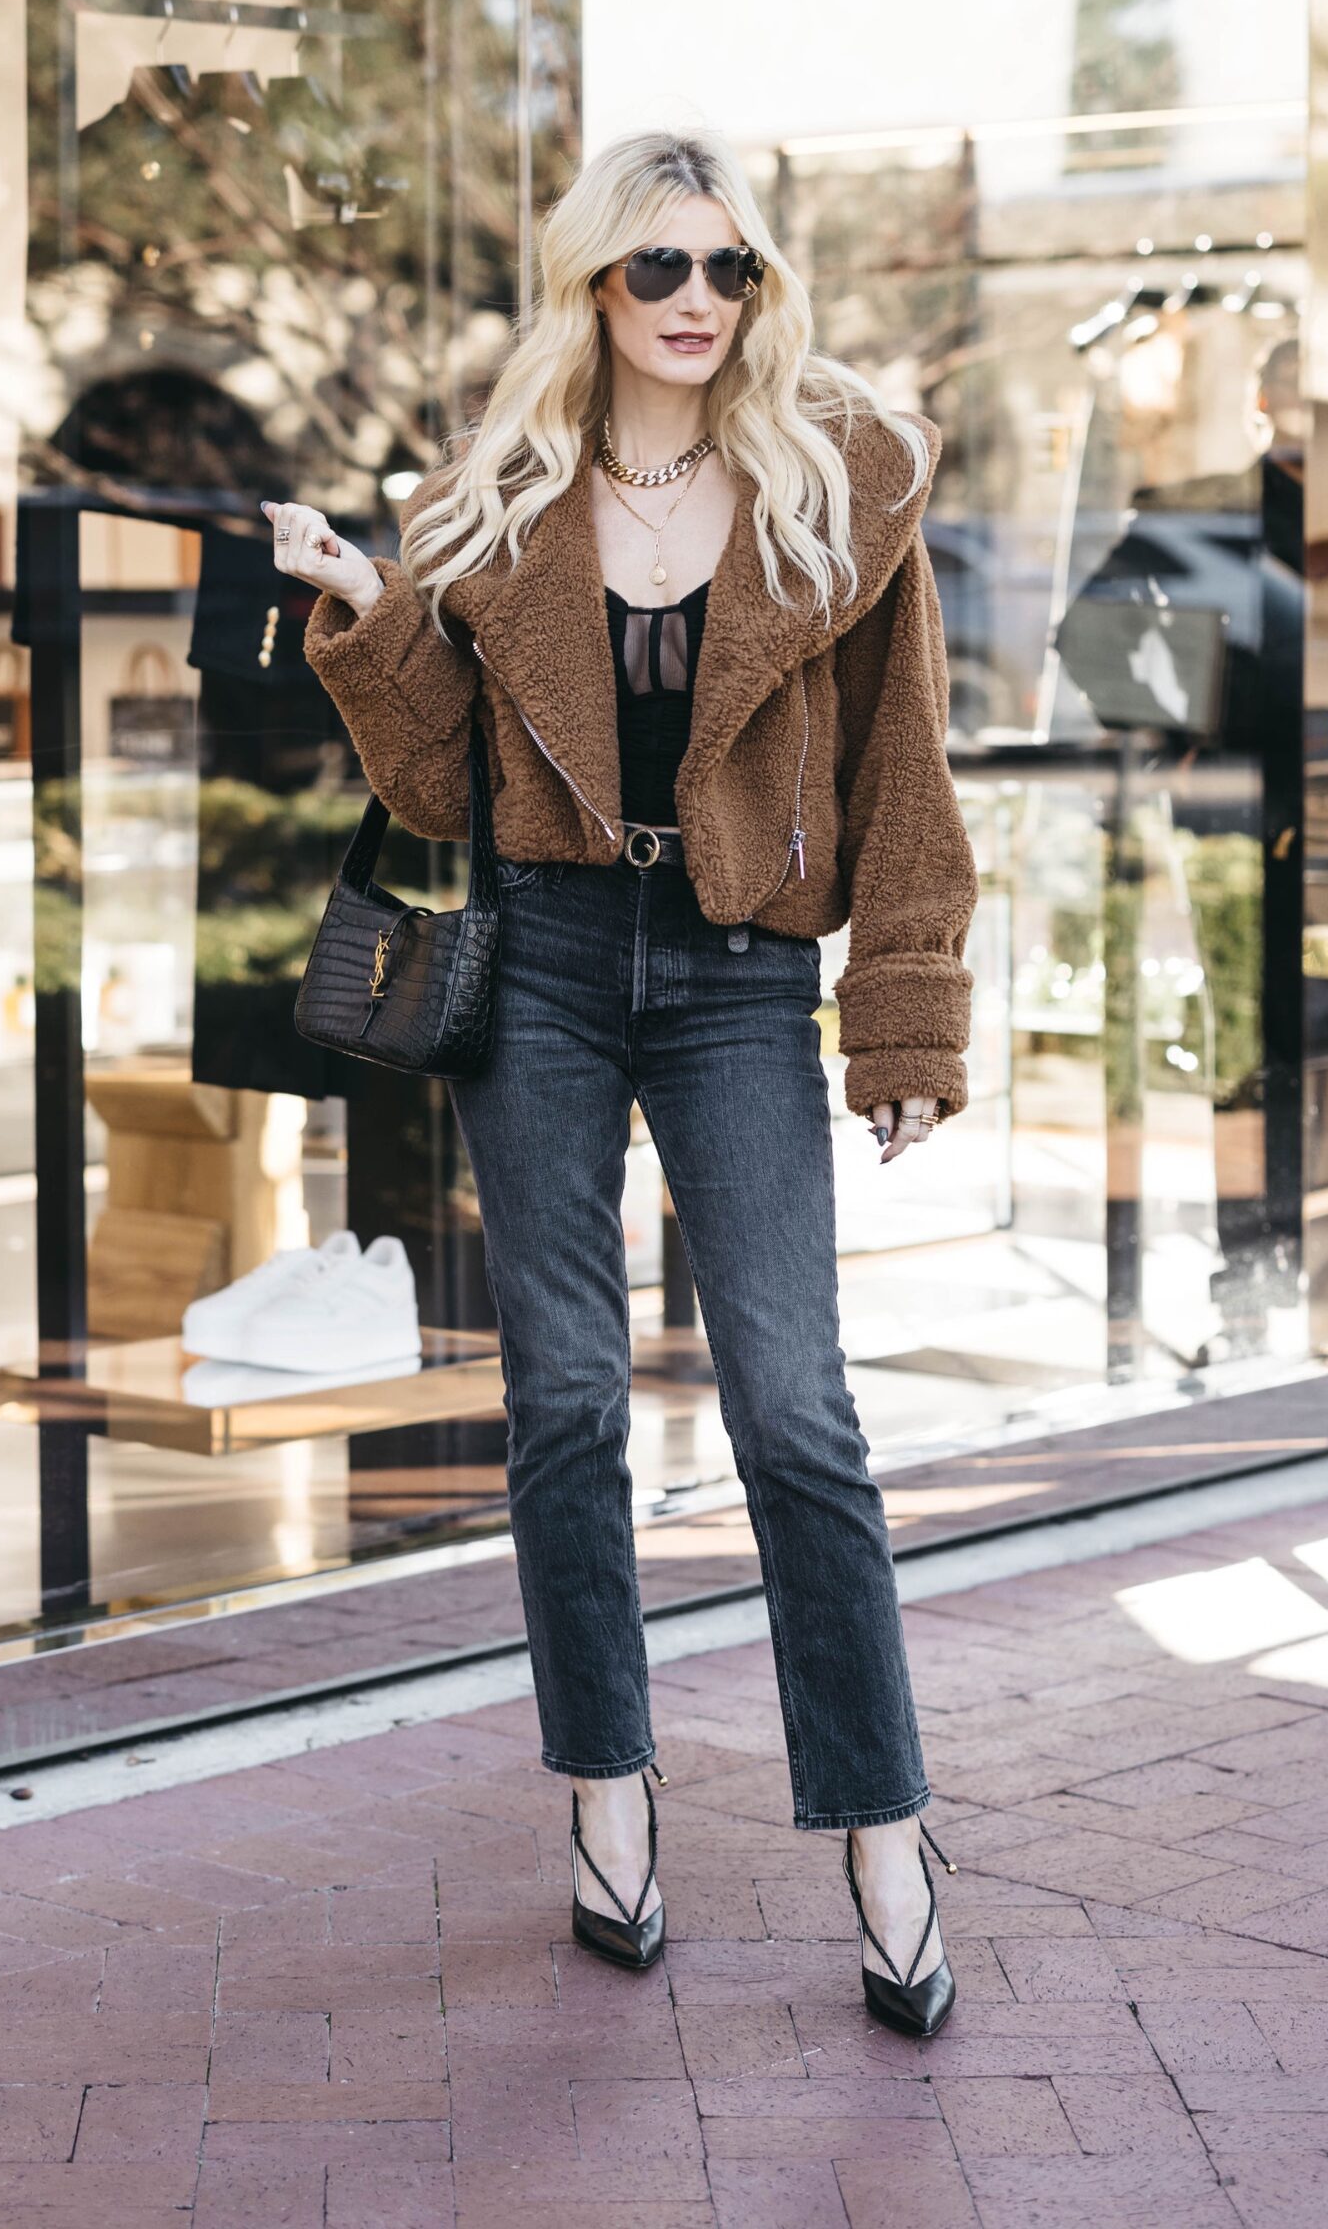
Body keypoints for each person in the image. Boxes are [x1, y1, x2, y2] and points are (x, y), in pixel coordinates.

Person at [265, 128, 976, 2037]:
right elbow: (435, 789)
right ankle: (604, 1786)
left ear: (762, 288)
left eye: (727, 270)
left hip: (745, 975)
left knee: (795, 1411)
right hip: (552, 969)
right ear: (593, 281)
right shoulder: (496, 501)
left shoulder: (836, 489)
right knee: (566, 1402)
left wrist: (903, 1015)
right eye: (657, 267)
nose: (692, 303)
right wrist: (362, 606)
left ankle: (885, 1832)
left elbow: (905, 770)